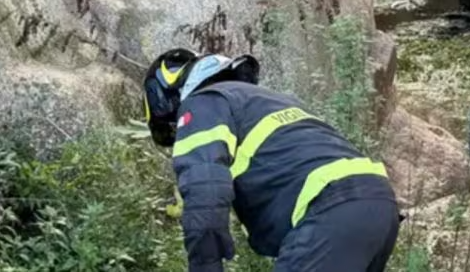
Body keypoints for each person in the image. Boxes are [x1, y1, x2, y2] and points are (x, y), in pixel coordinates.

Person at [143, 49, 400, 272]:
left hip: (328, 210)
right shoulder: (271, 100)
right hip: (378, 206)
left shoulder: (202, 104)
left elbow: (205, 196)